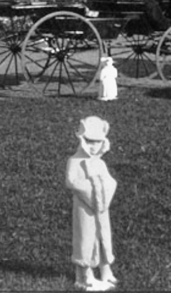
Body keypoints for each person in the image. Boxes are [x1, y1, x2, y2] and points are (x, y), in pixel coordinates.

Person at [66, 116, 118, 291]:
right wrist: (91, 189)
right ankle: (85, 276)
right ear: (82, 140)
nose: (93, 146)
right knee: (86, 238)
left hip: (102, 208)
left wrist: (104, 190)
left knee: (104, 237)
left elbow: (111, 181)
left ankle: (106, 270)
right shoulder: (74, 161)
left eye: (97, 142)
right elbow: (71, 181)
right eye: (89, 141)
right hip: (84, 208)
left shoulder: (100, 162)